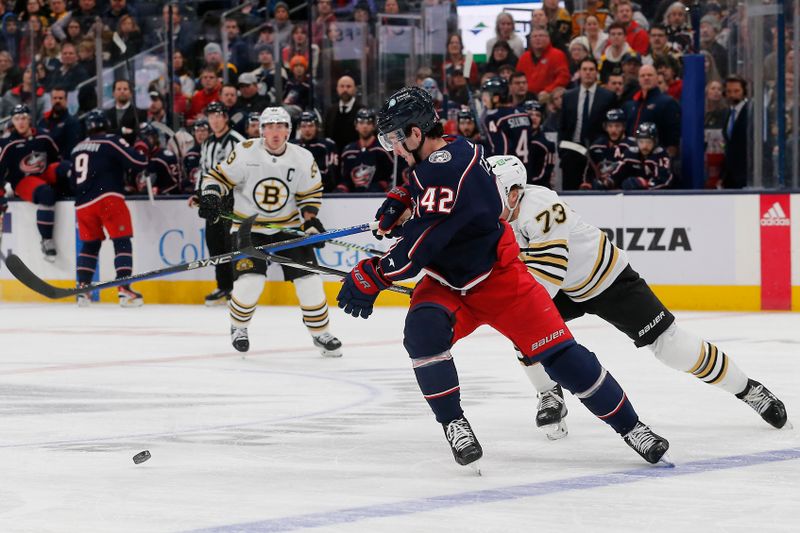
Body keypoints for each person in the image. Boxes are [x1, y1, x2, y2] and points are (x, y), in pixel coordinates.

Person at [336, 86, 671, 469]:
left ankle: (632, 427)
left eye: (397, 138)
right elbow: (424, 188)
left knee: (561, 357)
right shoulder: (453, 148)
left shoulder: (446, 170)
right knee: (423, 334)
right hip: (448, 281)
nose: (394, 147)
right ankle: (454, 423)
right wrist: (403, 194)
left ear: (415, 133)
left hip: (498, 277)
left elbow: (422, 242)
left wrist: (376, 273)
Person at [491, 154, 788, 436]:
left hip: (606, 279)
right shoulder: (493, 216)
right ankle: (548, 393)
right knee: (523, 330)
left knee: (672, 347)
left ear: (514, 192)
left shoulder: (541, 206)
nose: (484, 198)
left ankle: (748, 389)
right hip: (564, 287)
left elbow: (547, 282)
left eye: (492, 190)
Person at [198, 106, 343, 357]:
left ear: (288, 130)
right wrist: (210, 196)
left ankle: (321, 333)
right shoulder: (244, 152)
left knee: (310, 281)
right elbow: (218, 178)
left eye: (280, 127)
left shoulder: (302, 157)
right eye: (269, 127)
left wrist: (309, 221)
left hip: (287, 227)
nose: (275, 132)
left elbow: (309, 194)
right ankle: (239, 328)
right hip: (247, 228)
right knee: (250, 281)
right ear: (262, 129)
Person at [70, 110, 148, 306]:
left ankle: (83, 290)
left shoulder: (77, 148)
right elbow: (138, 162)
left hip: (83, 204)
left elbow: (72, 180)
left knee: (90, 245)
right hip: (108, 198)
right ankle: (124, 288)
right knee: (121, 241)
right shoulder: (111, 141)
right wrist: (141, 145)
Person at [0, 104, 67, 262]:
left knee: (66, 168)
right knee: (46, 194)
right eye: (16, 119)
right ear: (12, 122)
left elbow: (58, 159)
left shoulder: (44, 137)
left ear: (29, 119)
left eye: (23, 118)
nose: (20, 122)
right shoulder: (8, 144)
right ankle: (46, 240)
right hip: (23, 181)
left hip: (43, 174)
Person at [195, 101, 246, 305]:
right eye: (211, 116)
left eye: (218, 116)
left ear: (226, 117)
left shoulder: (237, 141)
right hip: (212, 199)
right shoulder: (207, 143)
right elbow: (203, 171)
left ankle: (238, 288)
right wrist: (199, 194)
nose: (215, 120)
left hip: (233, 199)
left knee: (232, 243)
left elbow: (244, 171)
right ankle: (223, 286)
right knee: (215, 243)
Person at [559, 58, 616, 189]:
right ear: (579, 72)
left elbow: (610, 125)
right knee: (570, 192)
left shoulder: (608, 96)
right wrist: (562, 151)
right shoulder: (568, 96)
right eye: (585, 69)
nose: (588, 73)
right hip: (572, 150)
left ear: (596, 73)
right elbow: (563, 126)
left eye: (591, 69)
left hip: (597, 153)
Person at [622, 64, 681, 158]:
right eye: (642, 75)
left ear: (657, 78)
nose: (646, 78)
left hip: (657, 157)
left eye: (650, 75)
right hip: (632, 157)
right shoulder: (630, 104)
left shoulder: (668, 102)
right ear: (638, 80)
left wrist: (669, 157)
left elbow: (673, 134)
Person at [338, 108, 394, 193]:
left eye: (368, 123)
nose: (365, 126)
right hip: (352, 199)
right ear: (356, 125)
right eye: (361, 123)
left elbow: (392, 176)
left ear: (374, 125)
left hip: (377, 197)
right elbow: (345, 180)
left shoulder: (383, 149)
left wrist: (382, 185)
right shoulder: (348, 151)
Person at [608, 122, 673, 190]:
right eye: (641, 142)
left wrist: (645, 183)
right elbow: (618, 174)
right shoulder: (629, 154)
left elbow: (665, 180)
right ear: (636, 142)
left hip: (659, 196)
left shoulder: (661, 155)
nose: (645, 146)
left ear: (655, 142)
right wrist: (609, 181)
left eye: (648, 142)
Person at [480, 76, 531, 160]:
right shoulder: (524, 113)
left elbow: (500, 150)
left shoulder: (494, 118)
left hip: (508, 168)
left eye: (486, 95)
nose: (483, 99)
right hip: (526, 167)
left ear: (496, 98)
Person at [584, 108, 634, 187]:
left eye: (617, 126)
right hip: (600, 190)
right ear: (605, 127)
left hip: (625, 191)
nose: (613, 130)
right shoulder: (596, 146)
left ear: (624, 127)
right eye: (610, 126)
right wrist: (588, 183)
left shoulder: (632, 146)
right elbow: (590, 172)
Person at [291, 111, 340, 192]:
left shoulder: (328, 146)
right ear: (299, 128)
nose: (307, 130)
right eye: (304, 126)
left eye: (311, 126)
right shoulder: (291, 146)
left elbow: (332, 176)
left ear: (317, 127)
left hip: (323, 193)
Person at [516, 28, 570, 94]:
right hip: (526, 96)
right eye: (534, 36)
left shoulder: (557, 55)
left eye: (541, 36)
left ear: (548, 39)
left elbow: (563, 77)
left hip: (548, 97)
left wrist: (548, 91)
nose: (538, 39)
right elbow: (517, 77)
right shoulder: (524, 57)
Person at [324, 75, 364, 153]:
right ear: (337, 89)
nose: (345, 89)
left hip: (356, 155)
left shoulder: (361, 110)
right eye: (342, 86)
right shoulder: (330, 111)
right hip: (334, 155)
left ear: (355, 89)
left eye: (348, 86)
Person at [37, 86, 80, 160]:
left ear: (66, 100)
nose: (57, 101)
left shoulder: (72, 123)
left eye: (60, 98)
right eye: (55, 98)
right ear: (51, 100)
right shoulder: (42, 122)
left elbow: (72, 149)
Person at [137, 123, 181, 195]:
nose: (144, 141)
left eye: (147, 137)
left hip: (165, 201)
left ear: (155, 137)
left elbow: (177, 184)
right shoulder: (135, 158)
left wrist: (160, 191)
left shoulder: (165, 157)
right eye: (140, 138)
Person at [721, 75, 749, 189]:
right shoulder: (728, 113)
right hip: (730, 174)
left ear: (744, 92)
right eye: (729, 91)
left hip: (746, 172)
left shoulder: (750, 111)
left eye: (736, 91)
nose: (732, 95)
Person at [522, 100, 555, 188]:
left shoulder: (546, 145)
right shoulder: (516, 140)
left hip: (538, 189)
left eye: (538, 115)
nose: (534, 118)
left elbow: (544, 176)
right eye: (530, 114)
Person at [104, 79, 144, 145]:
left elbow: (139, 134)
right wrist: (123, 130)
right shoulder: (107, 114)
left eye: (125, 89)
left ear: (131, 93)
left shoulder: (139, 113)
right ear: (113, 93)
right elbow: (106, 132)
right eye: (119, 89)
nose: (122, 91)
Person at [183, 118, 209, 191]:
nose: (200, 134)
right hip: (193, 192)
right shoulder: (189, 155)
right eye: (197, 131)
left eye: (203, 130)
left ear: (210, 132)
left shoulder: (217, 151)